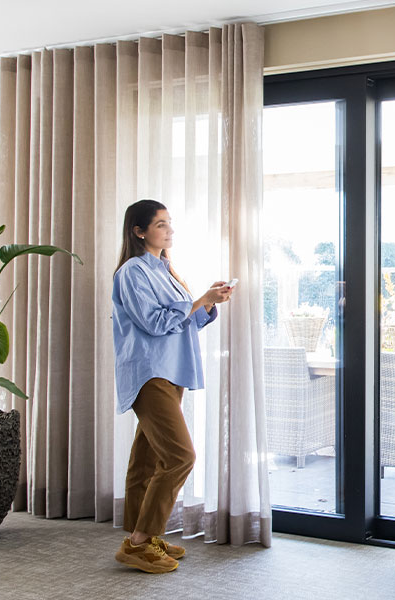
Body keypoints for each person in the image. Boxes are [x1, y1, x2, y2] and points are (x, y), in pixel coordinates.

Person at [112, 199, 232, 574]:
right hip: (149, 373)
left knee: (147, 460)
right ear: (139, 231)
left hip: (170, 371)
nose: (169, 230)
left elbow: (184, 323)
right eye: (161, 224)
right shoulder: (132, 272)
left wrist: (209, 304)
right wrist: (199, 301)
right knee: (181, 456)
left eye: (169, 223)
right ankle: (140, 541)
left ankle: (140, 537)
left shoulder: (164, 269)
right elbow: (153, 322)